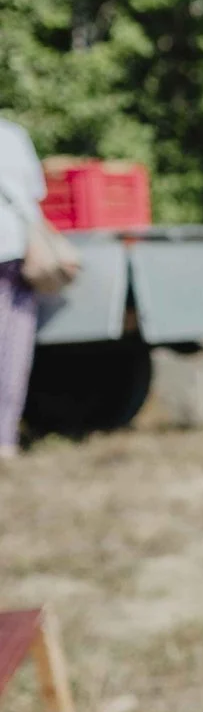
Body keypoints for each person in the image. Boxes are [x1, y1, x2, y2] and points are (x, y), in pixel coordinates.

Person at [0, 117, 56, 458]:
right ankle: (4, 438)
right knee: (13, 347)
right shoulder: (12, 134)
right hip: (13, 248)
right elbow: (34, 195)